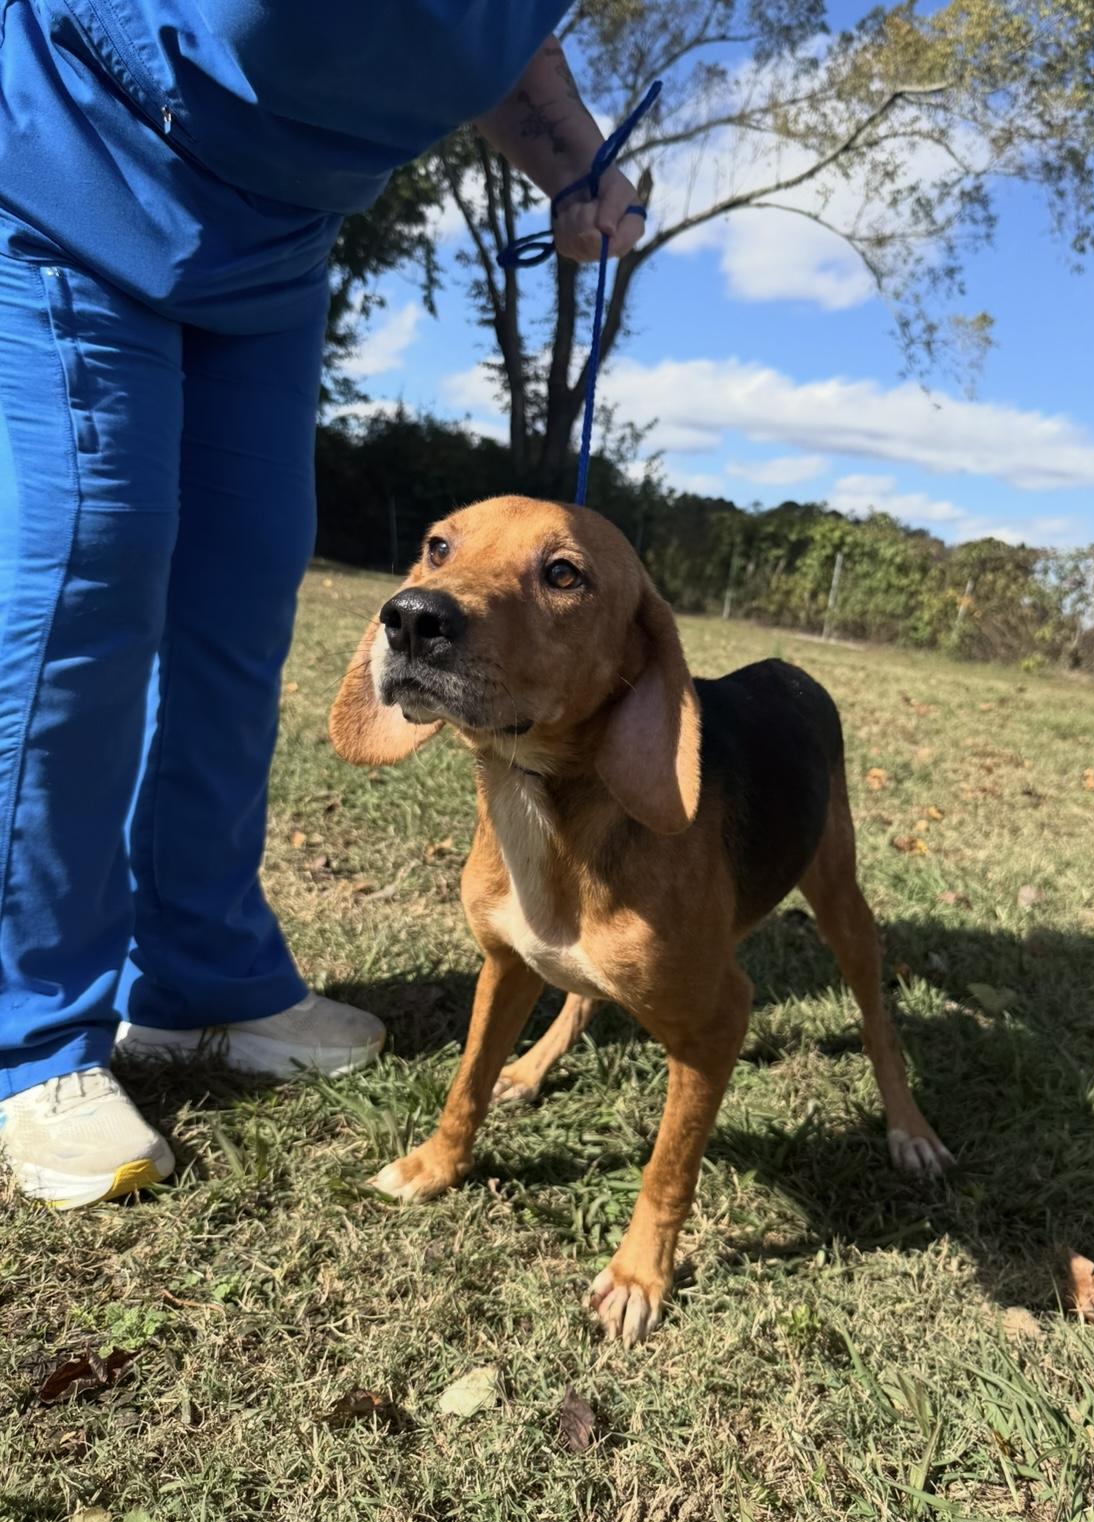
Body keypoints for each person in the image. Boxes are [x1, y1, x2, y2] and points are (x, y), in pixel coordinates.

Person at [0, 0, 644, 1208]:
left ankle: (199, 974)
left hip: (274, 248)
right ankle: (27, 1036)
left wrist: (576, 164)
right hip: (62, 160)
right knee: (96, 556)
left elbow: (484, 40)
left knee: (246, 581)